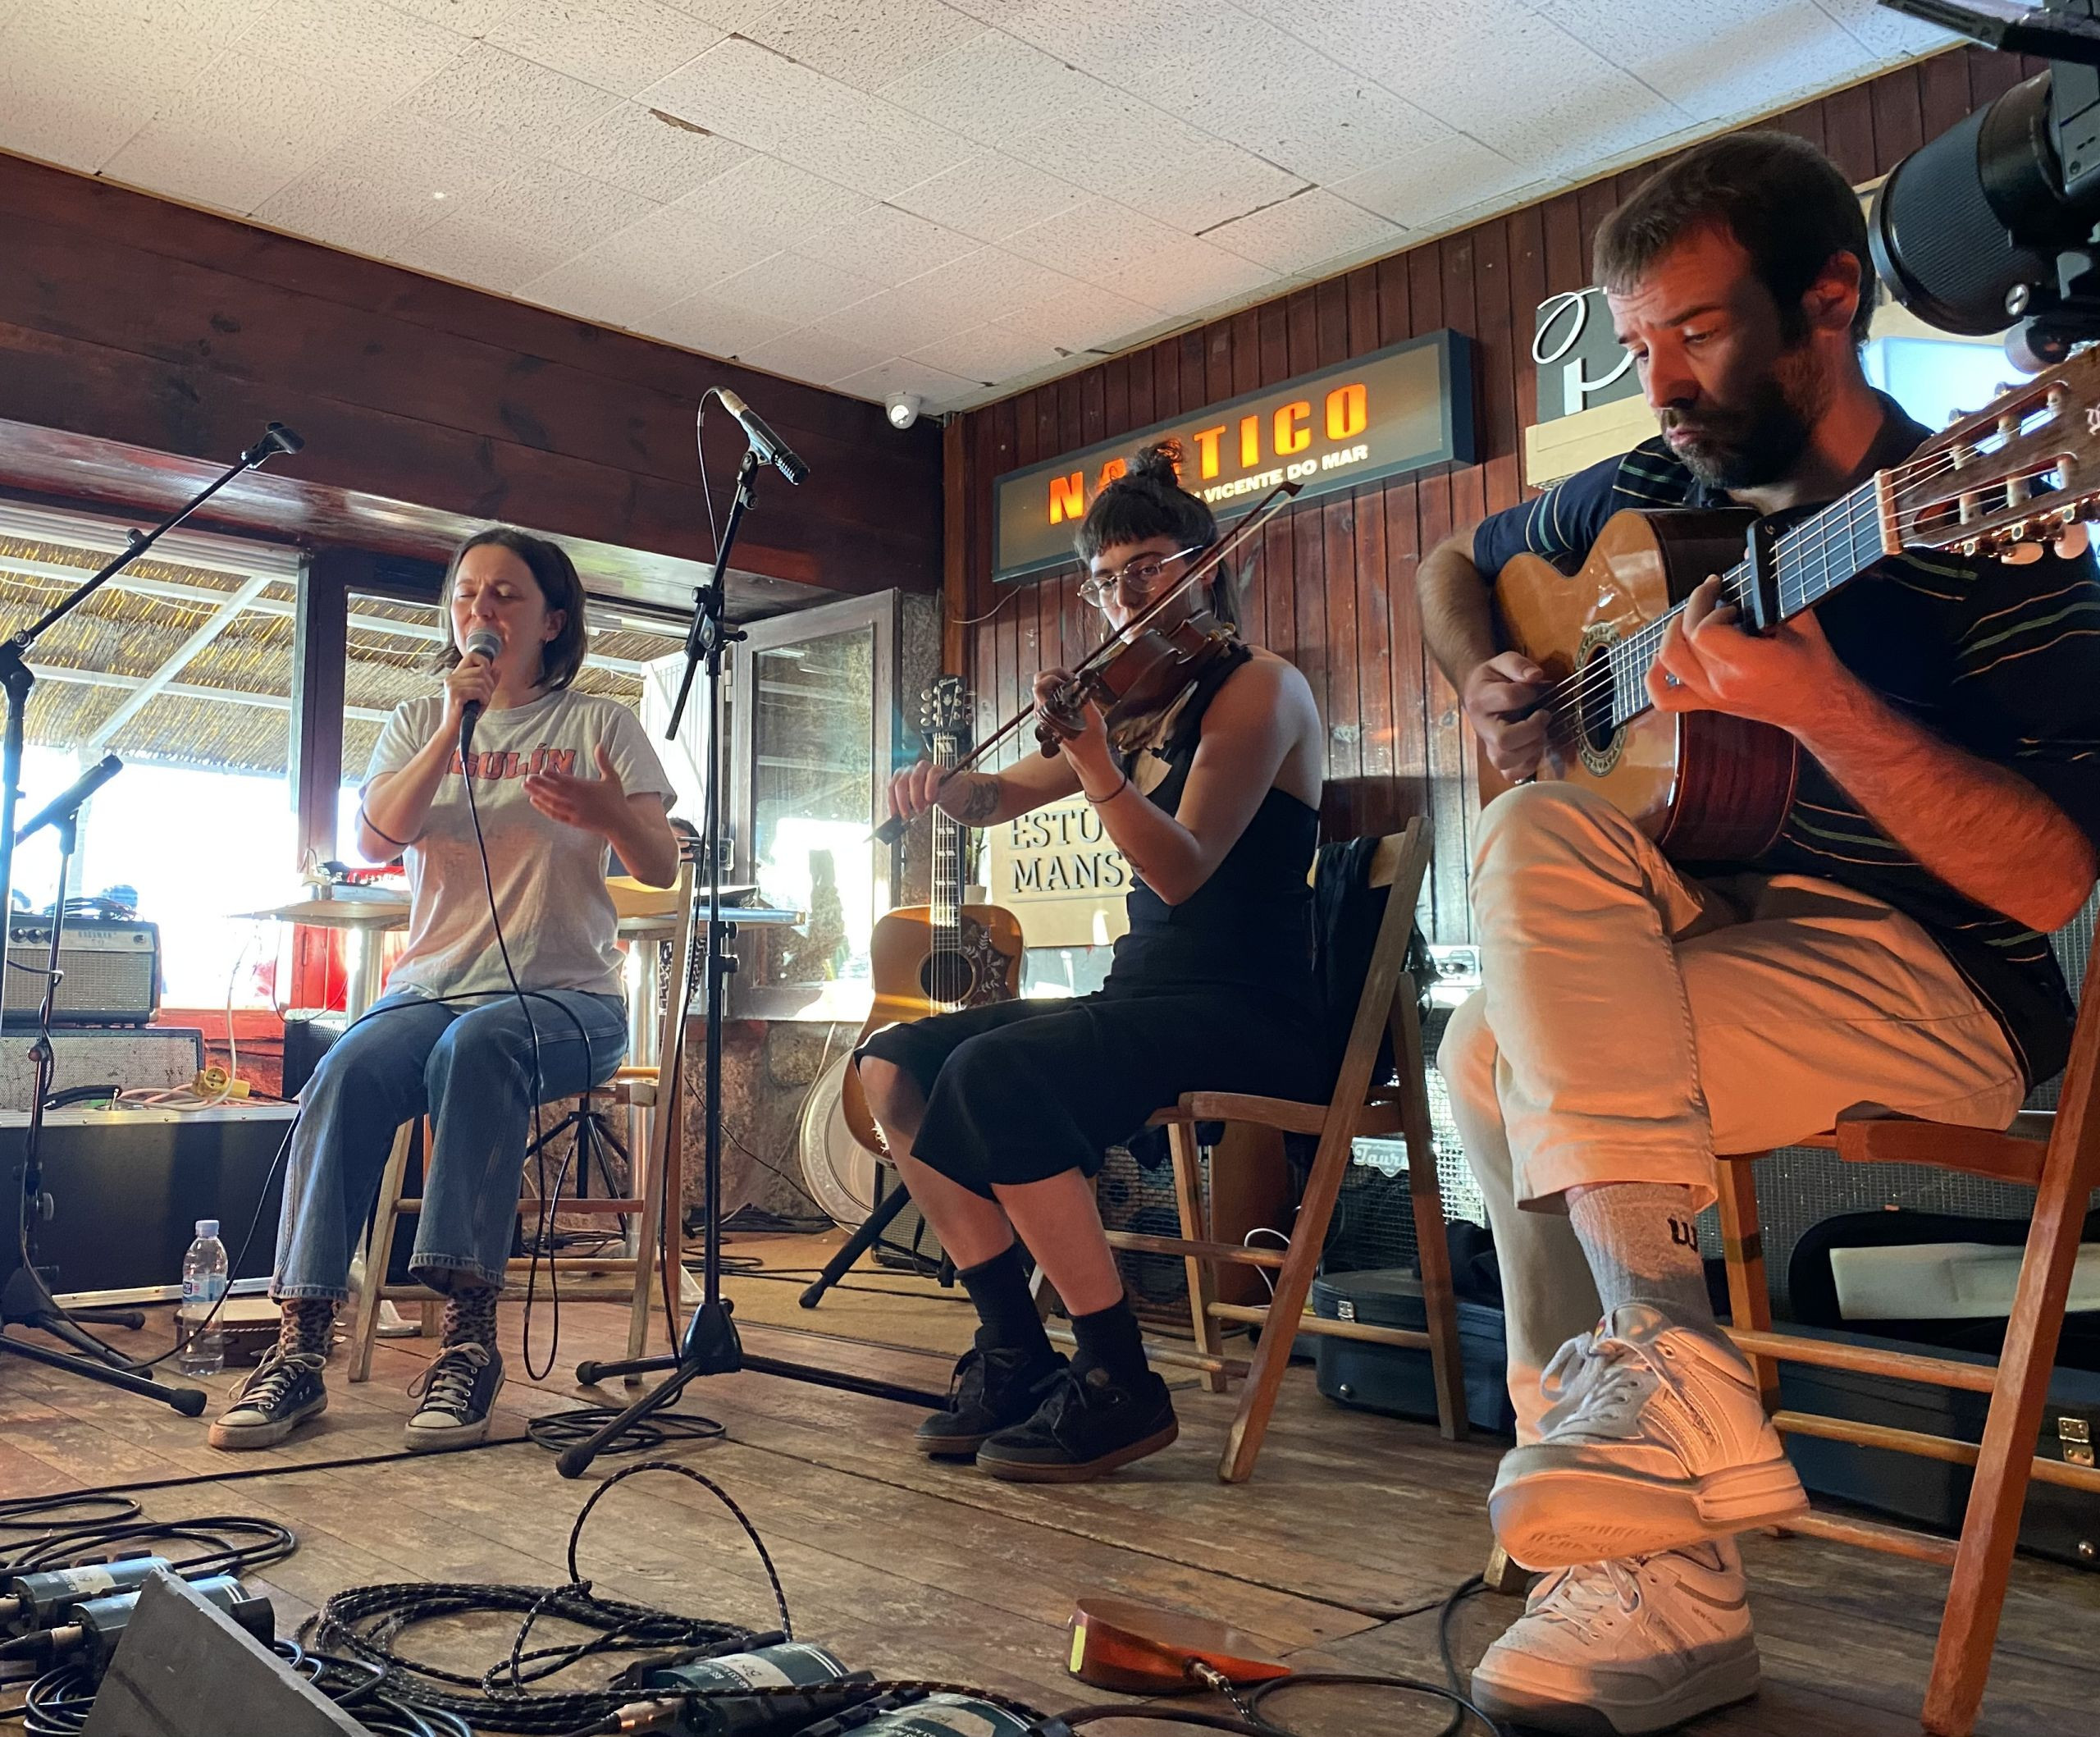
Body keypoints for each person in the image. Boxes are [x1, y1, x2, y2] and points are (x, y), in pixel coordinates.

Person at [1419, 130, 2100, 1735]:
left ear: (1825, 301)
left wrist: (1823, 710)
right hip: (1709, 911)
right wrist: (1483, 677)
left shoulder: (1987, 523)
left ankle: (1643, 1514)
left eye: (1694, 332)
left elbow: (2056, 885)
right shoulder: (1655, 493)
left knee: (1489, 1055)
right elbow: (1452, 562)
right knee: (1525, 834)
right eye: (1635, 340)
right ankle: (1649, 1476)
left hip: (1938, 974)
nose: (1655, 381)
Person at [859, 441, 1326, 1483]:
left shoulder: (1260, 690)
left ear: (1209, 562)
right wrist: (940, 782)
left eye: (1152, 563)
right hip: (1147, 995)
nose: (1128, 594)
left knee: (995, 1074)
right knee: (894, 1062)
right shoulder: (1128, 699)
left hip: (1249, 1005)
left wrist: (1096, 763)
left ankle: (1118, 1373)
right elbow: (996, 796)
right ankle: (1016, 1350)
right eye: (1108, 577)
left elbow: (1183, 875)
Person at [209, 528, 678, 1455]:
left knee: (479, 1047)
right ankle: (302, 1341)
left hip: (569, 1000)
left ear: (554, 617)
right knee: (344, 1068)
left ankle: (469, 1338)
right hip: (429, 989)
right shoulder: (422, 718)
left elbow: (659, 865)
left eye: (505, 595)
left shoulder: (601, 724)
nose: (482, 612)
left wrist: (606, 811)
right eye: (468, 595)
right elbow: (379, 840)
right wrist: (450, 728)